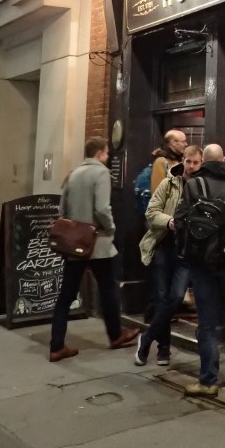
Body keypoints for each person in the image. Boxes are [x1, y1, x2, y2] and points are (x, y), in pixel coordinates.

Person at [49, 136, 140, 362]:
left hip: (74, 244)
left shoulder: (73, 174)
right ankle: (116, 335)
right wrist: (111, 227)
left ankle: (56, 345)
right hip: (97, 242)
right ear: (100, 153)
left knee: (66, 295)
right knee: (108, 289)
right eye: (107, 153)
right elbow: (101, 208)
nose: (108, 157)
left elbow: (62, 210)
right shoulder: (100, 173)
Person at [183, 143, 225, 397]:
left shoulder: (193, 186)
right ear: (224, 159)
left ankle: (208, 381)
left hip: (202, 264)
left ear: (204, 161)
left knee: (208, 322)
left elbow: (182, 223)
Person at [134, 144, 203, 367]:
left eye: (195, 162)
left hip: (185, 251)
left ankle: (146, 339)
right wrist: (170, 222)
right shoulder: (168, 184)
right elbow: (151, 213)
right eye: (188, 161)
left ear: (201, 163)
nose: (191, 166)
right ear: (182, 161)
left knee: (174, 298)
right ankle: (163, 348)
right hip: (164, 246)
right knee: (163, 298)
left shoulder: (202, 187)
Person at [150, 129, 187, 193]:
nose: (186, 144)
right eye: (183, 141)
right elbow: (157, 192)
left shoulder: (180, 160)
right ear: (173, 143)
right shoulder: (161, 162)